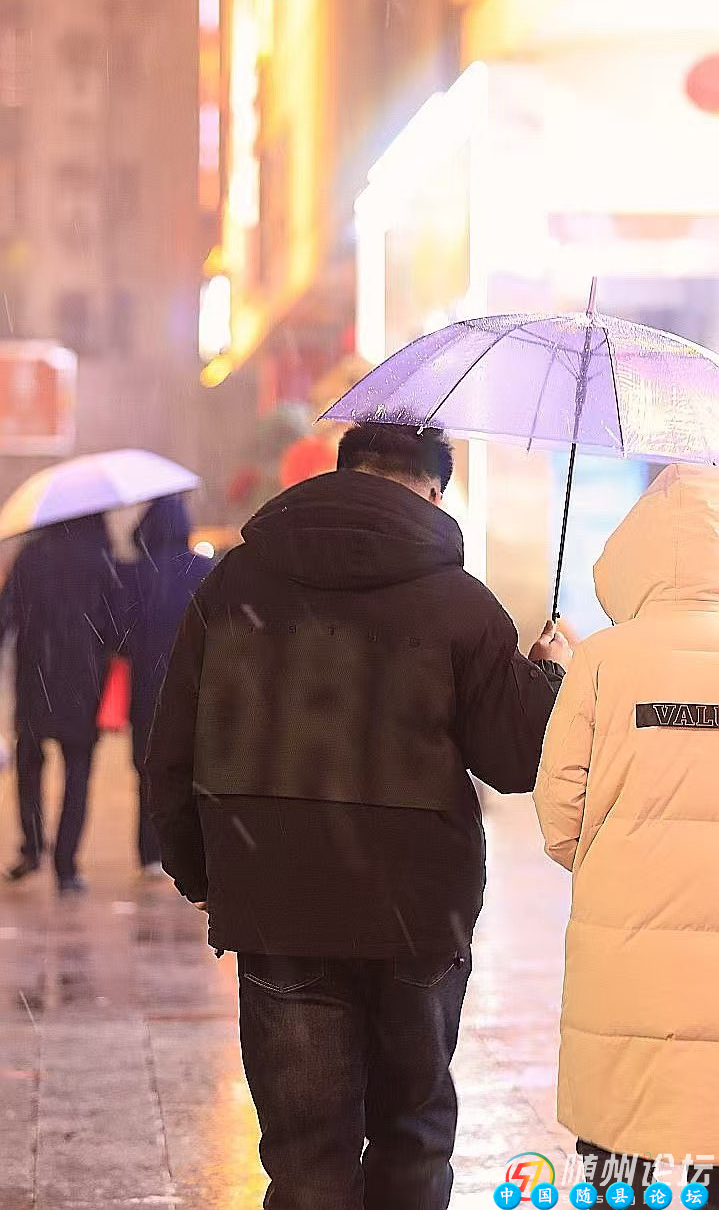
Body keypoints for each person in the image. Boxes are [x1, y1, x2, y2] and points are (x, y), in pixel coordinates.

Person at [149, 421, 571, 1210]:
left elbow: (173, 751)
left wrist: (200, 874)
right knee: (411, 1139)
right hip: (416, 908)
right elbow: (512, 763)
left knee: (307, 1160)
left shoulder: (235, 584)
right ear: (434, 491)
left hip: (278, 901)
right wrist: (544, 678)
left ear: (343, 472)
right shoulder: (461, 603)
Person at [535, 463, 719, 1205]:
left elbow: (558, 819)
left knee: (618, 1147)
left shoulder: (603, 659)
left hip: (624, 957)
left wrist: (619, 860)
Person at [0, 514, 117, 893]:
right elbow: (118, 627)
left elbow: (5, 617)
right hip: (83, 683)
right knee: (78, 772)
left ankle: (32, 847)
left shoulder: (30, 556)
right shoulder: (100, 558)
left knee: (29, 764)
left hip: (36, 679)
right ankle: (66, 867)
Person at [117, 494, 211, 876]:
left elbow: (119, 638)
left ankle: (150, 853)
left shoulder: (134, 575)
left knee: (149, 769)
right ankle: (193, 852)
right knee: (195, 768)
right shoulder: (203, 570)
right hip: (196, 688)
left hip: (147, 689)